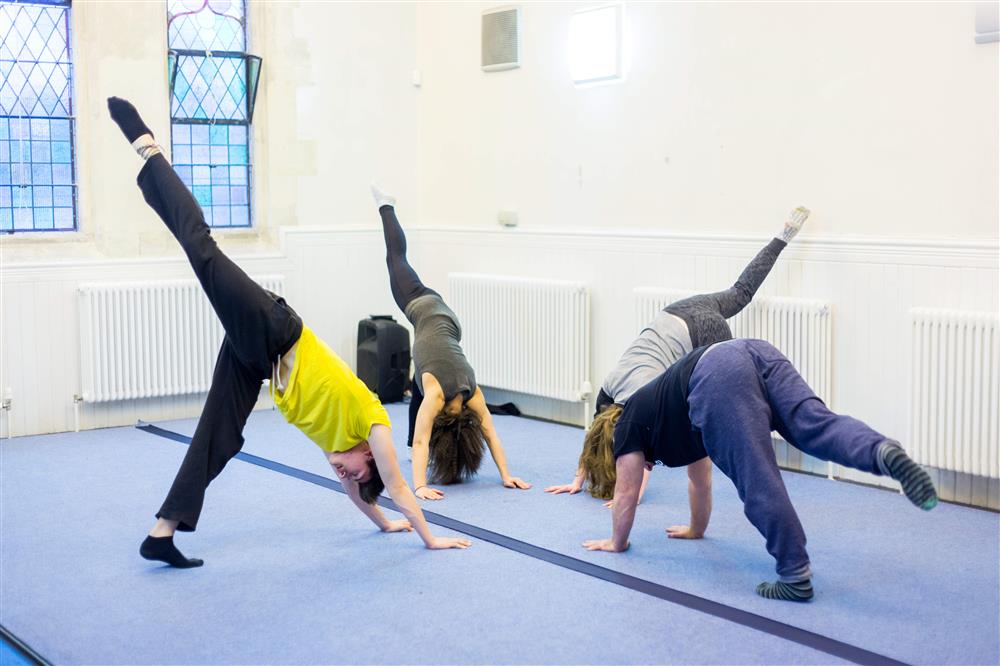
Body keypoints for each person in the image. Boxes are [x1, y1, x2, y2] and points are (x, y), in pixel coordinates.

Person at [107, 97, 470, 567]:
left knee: (217, 434)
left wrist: (384, 523)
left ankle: (163, 531)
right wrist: (429, 538)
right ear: (369, 456)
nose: (344, 473)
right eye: (356, 472)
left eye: (347, 477)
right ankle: (148, 148)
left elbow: (365, 497)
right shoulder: (370, 423)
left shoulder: (335, 451)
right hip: (275, 328)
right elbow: (395, 485)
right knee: (204, 252)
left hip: (258, 360)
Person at [581, 338, 938, 601]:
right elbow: (700, 481)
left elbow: (625, 494)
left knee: (755, 474)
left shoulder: (627, 427)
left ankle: (794, 573)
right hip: (752, 351)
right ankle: (880, 451)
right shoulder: (665, 417)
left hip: (716, 374)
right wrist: (696, 528)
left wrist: (617, 543)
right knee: (814, 426)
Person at [545, 208, 810, 511]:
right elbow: (595, 437)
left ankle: (771, 419)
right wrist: (577, 480)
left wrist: (630, 495)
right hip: (677, 312)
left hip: (702, 332)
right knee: (740, 293)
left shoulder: (641, 403)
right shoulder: (611, 386)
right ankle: (783, 235)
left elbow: (644, 458)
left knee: (725, 396)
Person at [371, 185, 531, 500]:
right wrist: (418, 486)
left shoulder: (472, 394)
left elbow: (488, 434)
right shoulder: (437, 396)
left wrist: (506, 475)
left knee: (419, 381)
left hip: (450, 322)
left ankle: (387, 206)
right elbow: (427, 440)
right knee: (396, 259)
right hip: (423, 308)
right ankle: (386, 206)